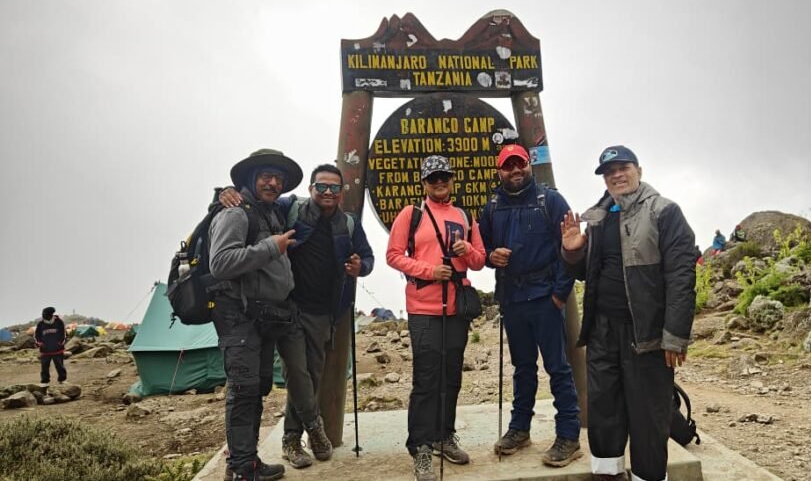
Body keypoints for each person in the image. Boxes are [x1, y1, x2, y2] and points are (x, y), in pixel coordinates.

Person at [220, 163, 375, 470]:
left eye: (334, 187)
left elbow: (368, 257)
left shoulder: (349, 224)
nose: (327, 192)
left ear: (342, 193)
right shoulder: (290, 208)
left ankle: (297, 435)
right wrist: (223, 194)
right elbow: (253, 200)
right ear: (310, 190)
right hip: (285, 307)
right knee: (295, 374)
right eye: (321, 187)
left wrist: (362, 267)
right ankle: (298, 437)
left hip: (322, 312)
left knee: (309, 376)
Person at [560, 145, 697, 481]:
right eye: (610, 172)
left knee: (648, 414)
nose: (617, 176)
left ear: (639, 170)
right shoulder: (599, 217)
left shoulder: (665, 212)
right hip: (602, 331)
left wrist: (675, 336)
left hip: (646, 334)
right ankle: (606, 474)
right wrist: (572, 252)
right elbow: (588, 273)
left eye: (623, 168)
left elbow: (681, 278)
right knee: (604, 408)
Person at [477, 144, 582, 467]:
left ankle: (568, 436)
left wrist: (559, 294)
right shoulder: (491, 207)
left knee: (558, 368)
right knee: (522, 368)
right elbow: (484, 252)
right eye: (508, 166)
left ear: (528, 165)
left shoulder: (550, 200)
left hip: (545, 298)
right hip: (513, 299)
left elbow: (570, 248)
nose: (515, 171)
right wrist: (492, 258)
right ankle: (519, 429)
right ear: (499, 171)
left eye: (519, 164)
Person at [385, 155, 486, 481]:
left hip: (456, 309)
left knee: (452, 376)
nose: (439, 182)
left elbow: (480, 259)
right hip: (423, 309)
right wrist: (430, 270)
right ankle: (421, 447)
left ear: (452, 179)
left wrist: (465, 252)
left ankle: (444, 436)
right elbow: (393, 255)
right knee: (426, 379)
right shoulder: (410, 214)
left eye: (444, 177)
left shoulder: (464, 216)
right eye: (432, 178)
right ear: (424, 182)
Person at [208, 148, 302, 481]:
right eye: (265, 176)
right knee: (244, 390)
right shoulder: (235, 213)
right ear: (251, 179)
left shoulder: (272, 212)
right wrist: (270, 248)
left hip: (262, 318)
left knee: (256, 387)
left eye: (278, 178)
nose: (273, 183)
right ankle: (240, 469)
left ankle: (248, 461)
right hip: (239, 318)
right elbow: (219, 264)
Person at [34, 307, 67, 384]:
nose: (43, 315)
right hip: (45, 350)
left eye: (45, 314)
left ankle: (62, 380)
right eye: (43, 314)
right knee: (44, 367)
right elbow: (37, 335)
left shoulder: (59, 322)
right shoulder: (40, 324)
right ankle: (45, 381)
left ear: (51, 314)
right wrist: (39, 342)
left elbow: (63, 333)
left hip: (57, 349)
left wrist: (60, 342)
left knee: (60, 366)